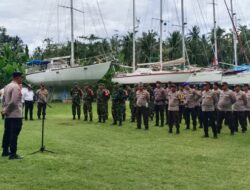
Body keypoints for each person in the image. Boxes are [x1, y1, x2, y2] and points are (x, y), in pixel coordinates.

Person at [1, 72, 23, 159]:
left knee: (7, 133)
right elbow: (14, 102)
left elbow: (3, 100)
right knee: (14, 134)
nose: (22, 79)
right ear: (17, 77)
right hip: (15, 114)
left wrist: (4, 109)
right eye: (21, 77)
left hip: (8, 115)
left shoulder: (7, 86)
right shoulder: (16, 87)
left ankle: (5, 151)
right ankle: (13, 154)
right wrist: (7, 110)